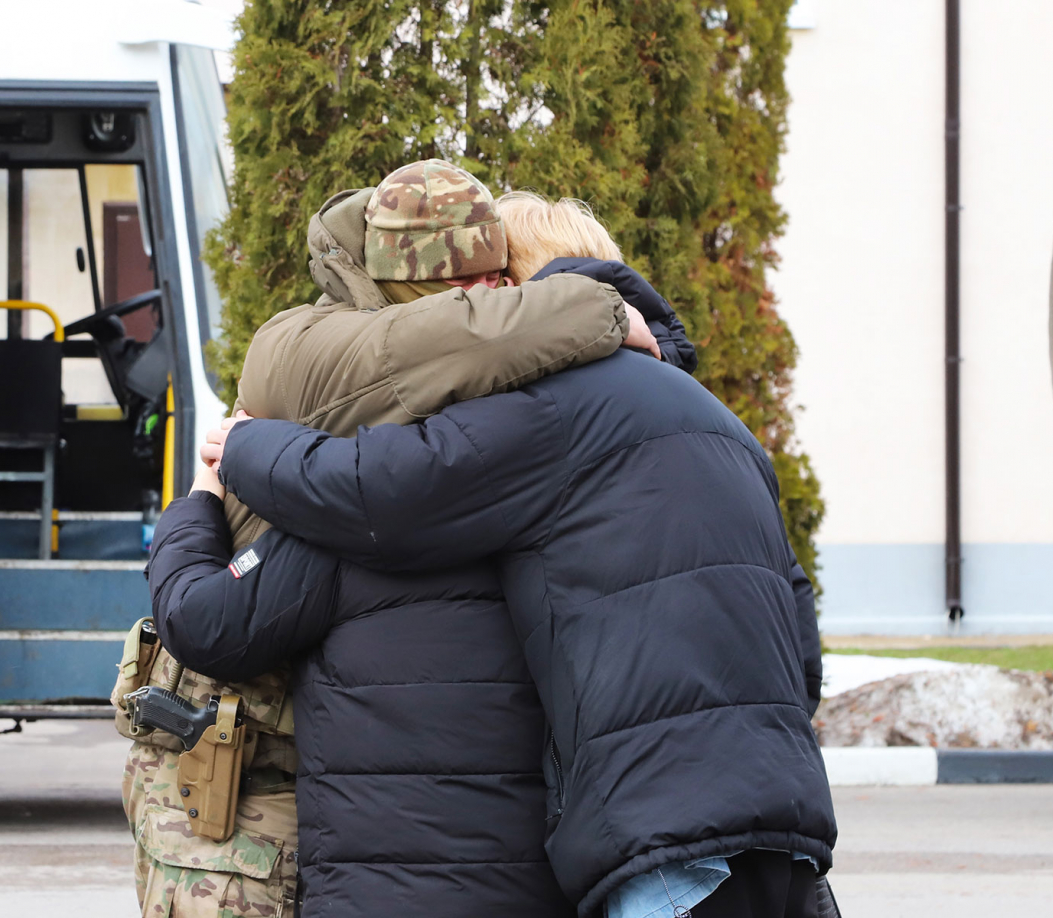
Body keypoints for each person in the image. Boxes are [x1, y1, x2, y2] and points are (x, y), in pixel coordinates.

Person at [193, 192, 838, 918]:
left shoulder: (553, 408)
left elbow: (382, 490)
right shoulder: (720, 423)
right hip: (788, 830)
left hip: (663, 839)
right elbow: (802, 647)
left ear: (523, 302)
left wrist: (243, 448)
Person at [120, 160, 672, 917]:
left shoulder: (388, 474)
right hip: (268, 788)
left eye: (509, 285)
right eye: (487, 288)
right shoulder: (333, 367)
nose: (498, 302)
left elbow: (212, 621)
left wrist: (203, 495)